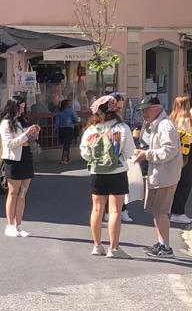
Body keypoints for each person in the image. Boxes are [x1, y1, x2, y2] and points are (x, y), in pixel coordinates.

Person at [80, 94, 135, 257]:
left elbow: (85, 154)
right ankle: (114, 248)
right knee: (115, 211)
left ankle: (97, 246)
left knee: (97, 209)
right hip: (117, 172)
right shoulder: (122, 128)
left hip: (97, 172)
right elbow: (129, 152)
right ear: (115, 110)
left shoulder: (91, 130)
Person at [134, 95, 181, 259]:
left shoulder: (165, 125)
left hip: (165, 175)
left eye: (146, 110)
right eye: (142, 111)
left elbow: (169, 150)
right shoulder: (156, 124)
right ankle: (161, 243)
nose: (143, 114)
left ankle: (165, 247)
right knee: (157, 211)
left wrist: (146, 154)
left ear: (156, 108)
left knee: (161, 212)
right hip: (159, 174)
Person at [0, 96, 40, 237]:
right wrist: (26, 134)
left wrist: (33, 132)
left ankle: (19, 225)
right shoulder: (5, 124)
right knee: (13, 192)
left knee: (23, 193)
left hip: (26, 156)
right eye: (19, 107)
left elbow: (27, 139)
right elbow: (10, 144)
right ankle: (10, 225)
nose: (22, 110)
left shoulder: (21, 121)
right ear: (12, 107)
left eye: (23, 107)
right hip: (13, 160)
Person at [169, 95, 192, 229]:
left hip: (175, 152)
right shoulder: (188, 119)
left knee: (176, 182)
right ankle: (178, 212)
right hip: (187, 152)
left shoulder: (172, 117)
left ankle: (173, 209)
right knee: (185, 183)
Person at [55, 95, 79, 164]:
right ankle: (63, 159)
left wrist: (55, 130)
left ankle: (68, 158)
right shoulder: (71, 111)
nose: (71, 104)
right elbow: (76, 119)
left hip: (61, 129)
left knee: (65, 144)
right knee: (67, 144)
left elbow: (57, 122)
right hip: (69, 129)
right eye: (70, 103)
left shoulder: (60, 111)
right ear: (67, 104)